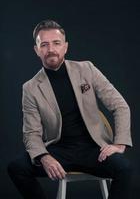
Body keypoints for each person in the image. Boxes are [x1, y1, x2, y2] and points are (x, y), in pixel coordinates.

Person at [8, 19, 133, 199]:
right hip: (59, 151)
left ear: (65, 47)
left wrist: (119, 143)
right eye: (44, 44)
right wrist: (44, 156)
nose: (51, 49)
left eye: (56, 43)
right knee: (16, 168)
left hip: (94, 149)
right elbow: (31, 133)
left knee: (125, 169)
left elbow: (120, 105)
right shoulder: (31, 88)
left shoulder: (87, 69)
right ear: (37, 50)